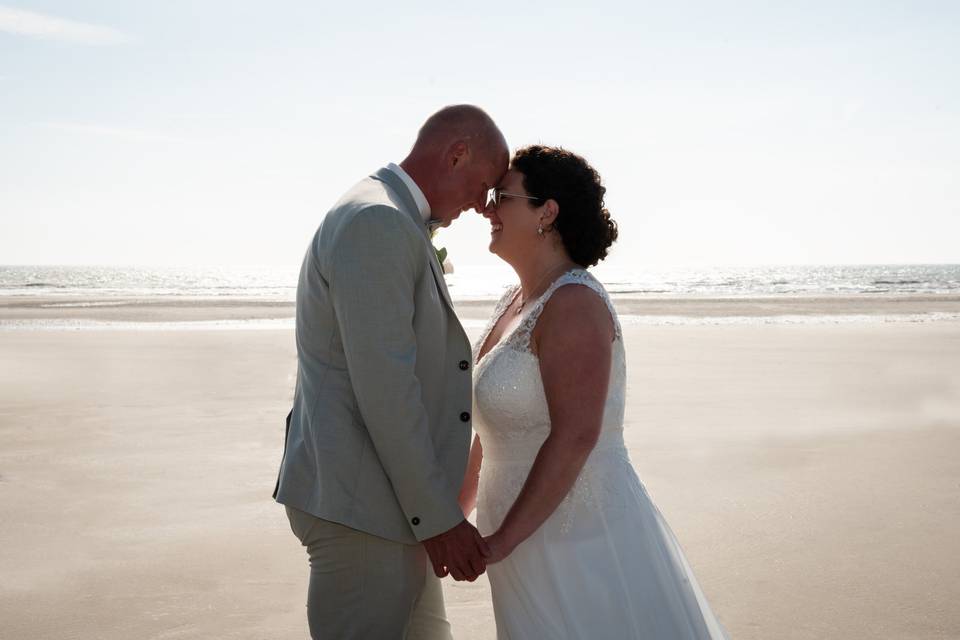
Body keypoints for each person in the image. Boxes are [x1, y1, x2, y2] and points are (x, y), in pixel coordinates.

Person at [461, 145, 730, 638]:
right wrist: (453, 518)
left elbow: (576, 435)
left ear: (547, 211)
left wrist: (502, 542)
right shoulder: (514, 301)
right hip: (516, 535)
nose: (488, 209)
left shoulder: (575, 303)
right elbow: (493, 429)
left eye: (503, 196)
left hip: (578, 534)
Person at [273, 105, 509, 639]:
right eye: (483, 186)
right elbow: (385, 389)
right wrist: (441, 518)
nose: (481, 205)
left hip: (390, 511)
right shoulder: (377, 221)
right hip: (363, 512)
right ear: (456, 154)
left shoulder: (386, 212)